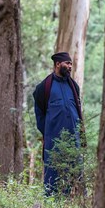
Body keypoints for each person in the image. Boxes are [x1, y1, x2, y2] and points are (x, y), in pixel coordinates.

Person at [33, 52, 84, 196]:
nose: (70, 66)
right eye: (67, 63)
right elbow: (40, 115)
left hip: (74, 139)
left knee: (76, 170)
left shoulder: (74, 87)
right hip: (54, 140)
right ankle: (51, 204)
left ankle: (76, 202)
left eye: (71, 64)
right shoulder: (44, 87)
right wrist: (49, 133)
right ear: (57, 64)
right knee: (53, 173)